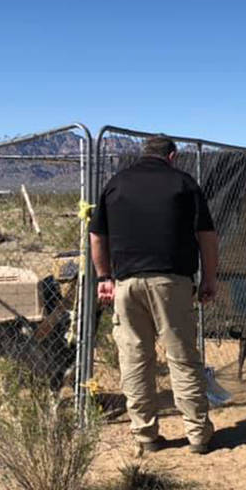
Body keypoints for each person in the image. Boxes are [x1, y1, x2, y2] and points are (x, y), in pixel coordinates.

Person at [89, 136, 219, 454]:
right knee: (182, 357)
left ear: (143, 154)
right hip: (171, 282)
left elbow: (96, 235)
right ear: (172, 156)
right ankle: (198, 435)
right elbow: (206, 236)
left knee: (134, 359)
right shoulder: (184, 183)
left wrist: (104, 277)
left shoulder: (116, 184)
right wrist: (209, 279)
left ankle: (145, 435)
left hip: (126, 285)